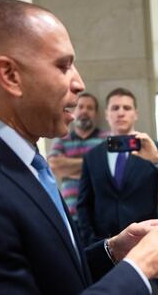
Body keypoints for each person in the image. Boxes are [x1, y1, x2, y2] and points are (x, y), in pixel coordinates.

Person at [0, 0, 158, 295]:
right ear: (11, 76)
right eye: (63, 66)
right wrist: (141, 267)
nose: (79, 82)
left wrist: (111, 249)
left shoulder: (29, 163)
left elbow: (54, 271)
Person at [77, 87, 158, 246]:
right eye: (115, 108)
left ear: (135, 114)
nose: (121, 113)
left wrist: (157, 159)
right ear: (107, 114)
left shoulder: (155, 149)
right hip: (104, 245)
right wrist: (91, 241)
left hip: (146, 241)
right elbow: (83, 204)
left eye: (126, 108)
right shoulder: (92, 156)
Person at [48, 92, 107, 222]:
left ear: (96, 114)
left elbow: (107, 169)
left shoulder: (106, 139)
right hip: (70, 215)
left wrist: (69, 167)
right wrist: (93, 165)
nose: (84, 111)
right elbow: (54, 166)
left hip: (99, 216)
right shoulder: (62, 138)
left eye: (90, 108)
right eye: (81, 107)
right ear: (74, 111)